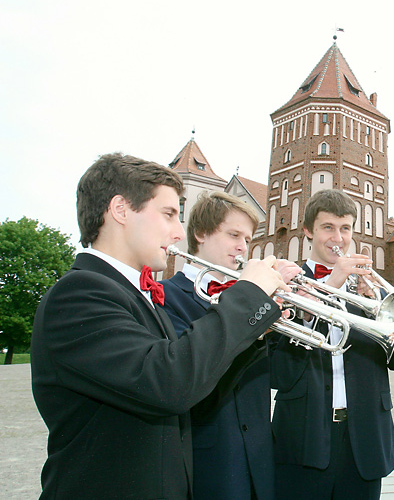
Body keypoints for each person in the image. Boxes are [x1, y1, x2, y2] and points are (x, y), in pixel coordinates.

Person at [31, 153, 288, 499]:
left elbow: (196, 391)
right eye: (169, 214)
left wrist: (253, 331)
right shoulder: (80, 292)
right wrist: (249, 296)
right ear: (120, 210)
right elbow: (170, 382)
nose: (179, 231)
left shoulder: (133, 294)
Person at [270, 189, 394, 500]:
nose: (338, 237)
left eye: (345, 228)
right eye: (328, 227)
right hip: (303, 439)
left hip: (364, 441)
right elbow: (278, 373)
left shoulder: (368, 288)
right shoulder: (283, 283)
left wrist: (380, 308)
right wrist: (330, 287)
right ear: (308, 231)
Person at [160, 191, 302, 500]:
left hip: (259, 462)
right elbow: (191, 382)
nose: (242, 246)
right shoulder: (166, 296)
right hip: (208, 461)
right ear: (201, 233)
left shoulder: (253, 301)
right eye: (233, 234)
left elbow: (282, 378)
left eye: (247, 238)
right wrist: (251, 320)